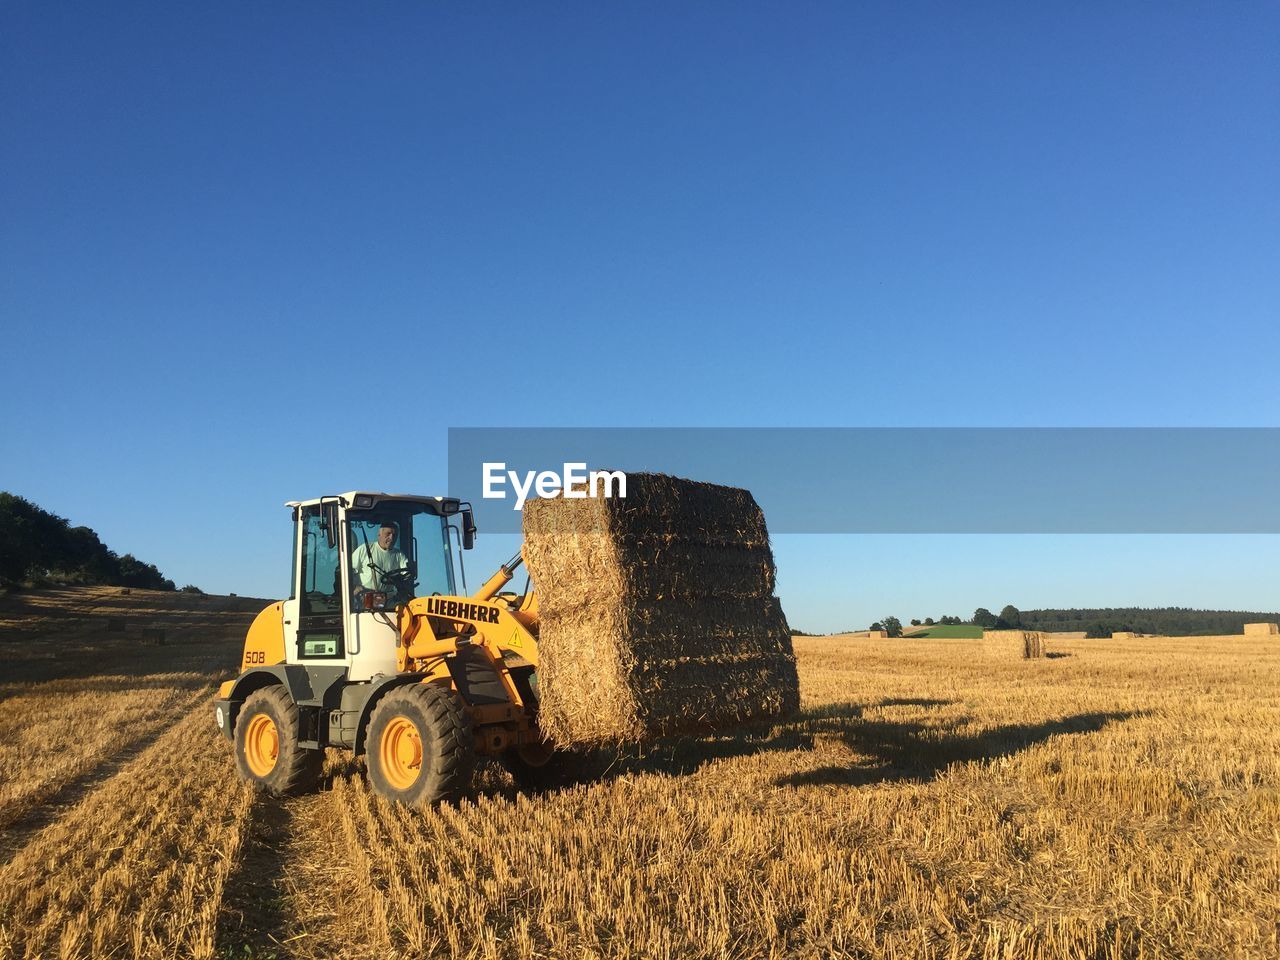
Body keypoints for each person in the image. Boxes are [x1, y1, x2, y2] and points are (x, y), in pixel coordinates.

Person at [351, 520, 410, 596]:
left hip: (388, 599)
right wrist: (356, 587)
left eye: (394, 535)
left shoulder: (399, 555)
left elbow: (406, 574)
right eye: (388, 534)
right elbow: (349, 571)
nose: (391, 538)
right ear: (379, 534)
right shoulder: (365, 549)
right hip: (365, 598)